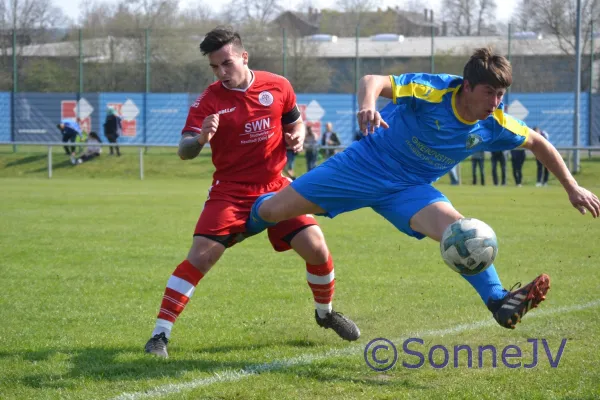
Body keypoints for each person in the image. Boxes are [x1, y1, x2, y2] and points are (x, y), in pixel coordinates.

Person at [247, 47, 600, 332]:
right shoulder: (435, 91)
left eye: (501, 94)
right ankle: (237, 219)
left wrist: (572, 187)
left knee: (463, 234)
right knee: (270, 211)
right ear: (467, 86)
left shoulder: (494, 123)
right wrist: (367, 107)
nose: (495, 102)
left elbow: (537, 142)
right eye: (489, 93)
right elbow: (372, 80)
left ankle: (498, 301)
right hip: (363, 166)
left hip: (409, 190)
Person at [144, 28, 359, 358]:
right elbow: (184, 151)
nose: (221, 72)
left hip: (275, 186)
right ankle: (159, 335)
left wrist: (298, 135)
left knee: (316, 247)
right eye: (214, 67)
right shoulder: (208, 100)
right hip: (230, 192)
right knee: (201, 257)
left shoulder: (278, 85)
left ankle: (325, 313)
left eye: (226, 63)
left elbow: (295, 121)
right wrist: (199, 139)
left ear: (244, 57)